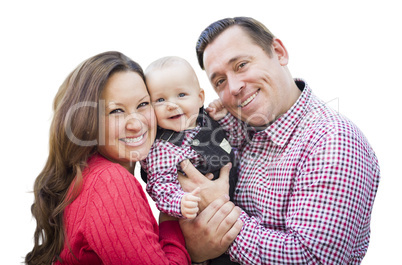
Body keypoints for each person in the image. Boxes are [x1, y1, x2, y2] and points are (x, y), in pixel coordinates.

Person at [177, 17, 381, 264]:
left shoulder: (332, 140)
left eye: (241, 65)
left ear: (279, 52)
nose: (234, 87)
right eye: (220, 81)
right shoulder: (234, 129)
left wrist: (217, 216)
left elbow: (312, 259)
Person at [24, 51, 241, 265]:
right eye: (116, 111)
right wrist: (180, 233)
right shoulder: (109, 181)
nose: (136, 124)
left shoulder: (89, 174)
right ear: (87, 122)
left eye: (142, 105)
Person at [140, 56, 239, 264]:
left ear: (200, 97)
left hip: (237, 205)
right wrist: (179, 202)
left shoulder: (207, 120)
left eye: (181, 95)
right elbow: (159, 186)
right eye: (160, 100)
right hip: (199, 222)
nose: (171, 105)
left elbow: (233, 140)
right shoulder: (163, 147)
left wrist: (223, 112)